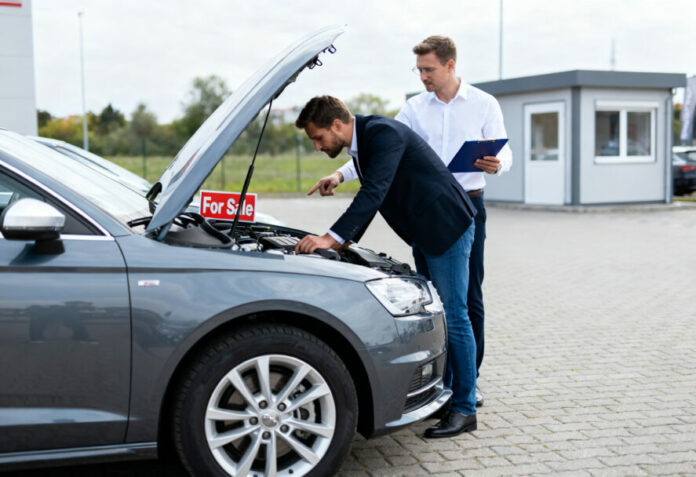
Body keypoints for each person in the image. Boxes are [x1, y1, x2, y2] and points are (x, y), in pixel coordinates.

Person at [314, 36, 513, 408]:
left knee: (468, 299)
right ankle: (451, 382)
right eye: (419, 70)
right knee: (444, 301)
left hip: (468, 204)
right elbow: (379, 152)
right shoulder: (414, 108)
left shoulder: (484, 103)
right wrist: (340, 175)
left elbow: (505, 153)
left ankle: (469, 384)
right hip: (428, 214)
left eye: (428, 69)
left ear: (450, 65)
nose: (423, 76)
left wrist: (498, 164)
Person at [294, 95, 479, 438]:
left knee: (455, 316)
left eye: (318, 137)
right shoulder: (363, 142)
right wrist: (342, 240)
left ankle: (465, 409)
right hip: (425, 231)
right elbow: (372, 191)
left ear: (336, 125)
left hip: (447, 226)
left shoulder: (383, 134)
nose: (318, 146)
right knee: (442, 315)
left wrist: (331, 239)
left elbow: (373, 192)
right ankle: (449, 396)